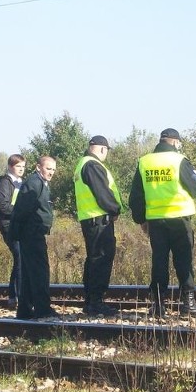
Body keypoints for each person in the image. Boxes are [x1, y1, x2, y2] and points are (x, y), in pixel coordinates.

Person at [129, 128, 196, 317]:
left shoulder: (144, 162)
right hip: (180, 219)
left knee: (159, 262)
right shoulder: (179, 160)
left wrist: (141, 220)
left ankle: (158, 306)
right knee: (184, 261)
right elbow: (195, 187)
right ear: (174, 142)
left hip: (156, 222)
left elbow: (136, 197)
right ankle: (187, 305)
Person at [73, 135, 123, 317]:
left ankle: (91, 301)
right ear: (103, 149)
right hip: (99, 220)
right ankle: (96, 302)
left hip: (91, 219)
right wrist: (115, 209)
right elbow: (103, 194)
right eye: (107, 151)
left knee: (94, 259)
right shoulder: (93, 165)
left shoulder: (82, 164)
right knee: (101, 259)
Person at [9, 156, 58, 319]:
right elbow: (23, 210)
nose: (51, 172)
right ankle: (42, 309)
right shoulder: (34, 183)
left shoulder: (39, 183)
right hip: (31, 234)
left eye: (53, 169)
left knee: (30, 273)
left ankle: (24, 310)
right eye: (48, 168)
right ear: (38, 167)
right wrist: (27, 230)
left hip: (32, 233)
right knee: (39, 271)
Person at [0, 154, 26, 309]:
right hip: (8, 225)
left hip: (20, 225)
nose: (21, 169)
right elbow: (3, 206)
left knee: (20, 259)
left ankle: (13, 296)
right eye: (18, 166)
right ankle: (18, 296)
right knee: (19, 255)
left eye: (23, 166)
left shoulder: (22, 183)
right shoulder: (4, 183)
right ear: (10, 167)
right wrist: (22, 212)